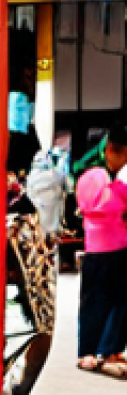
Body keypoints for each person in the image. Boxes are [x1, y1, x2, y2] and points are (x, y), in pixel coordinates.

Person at [76, 121, 127, 378]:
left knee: (111, 301)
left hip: (110, 249)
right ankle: (96, 351)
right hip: (106, 249)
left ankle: (105, 350)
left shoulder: (101, 177)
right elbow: (99, 207)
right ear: (109, 150)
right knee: (103, 302)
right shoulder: (99, 178)